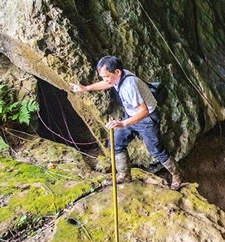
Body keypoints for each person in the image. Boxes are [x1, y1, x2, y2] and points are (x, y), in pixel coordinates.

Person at [70, 55, 182, 190]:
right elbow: (107, 83)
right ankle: (124, 175)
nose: (105, 80)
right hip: (131, 115)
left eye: (106, 76)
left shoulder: (129, 86)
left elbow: (144, 111)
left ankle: (177, 174)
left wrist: (123, 124)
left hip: (147, 119)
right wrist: (86, 88)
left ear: (117, 72)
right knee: (115, 144)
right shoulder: (119, 76)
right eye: (102, 77)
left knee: (155, 150)